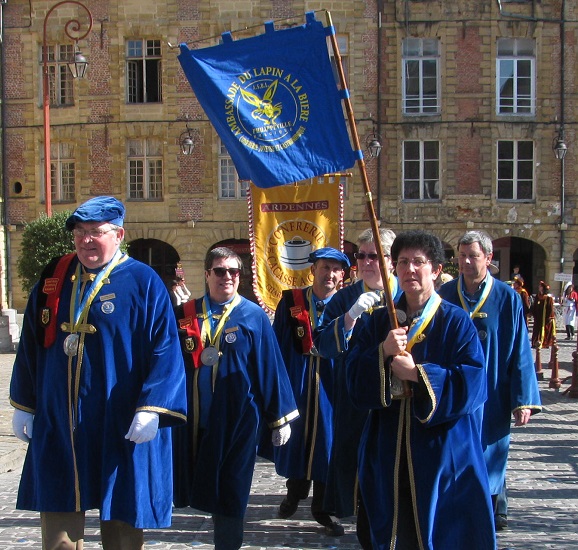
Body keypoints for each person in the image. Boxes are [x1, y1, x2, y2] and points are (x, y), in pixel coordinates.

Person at [10, 196, 187, 549]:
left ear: (118, 234)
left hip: (118, 416)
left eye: (95, 232)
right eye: (79, 232)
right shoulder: (54, 276)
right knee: (60, 504)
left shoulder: (143, 281)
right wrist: (24, 402)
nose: (86, 240)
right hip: (62, 417)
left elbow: (165, 349)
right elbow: (32, 339)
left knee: (120, 507)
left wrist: (152, 406)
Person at [347, 230, 495, 549]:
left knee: (441, 530)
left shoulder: (456, 322)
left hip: (442, 450)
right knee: (390, 528)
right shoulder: (377, 322)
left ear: (436, 269)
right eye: (402, 262)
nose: (410, 270)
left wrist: (418, 374)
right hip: (386, 446)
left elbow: (473, 381)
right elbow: (353, 381)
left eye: (418, 262)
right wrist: (381, 353)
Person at [172, 246, 299, 550]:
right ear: (207, 274)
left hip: (239, 421)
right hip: (196, 420)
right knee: (199, 482)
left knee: (231, 489)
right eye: (219, 271)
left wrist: (279, 417)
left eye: (233, 271)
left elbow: (270, 367)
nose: (226, 277)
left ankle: (227, 545)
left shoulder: (253, 316)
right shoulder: (186, 314)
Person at [439, 230, 541, 532]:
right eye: (462, 256)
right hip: (455, 387)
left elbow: (520, 350)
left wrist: (523, 399)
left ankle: (497, 505)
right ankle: (456, 501)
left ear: (488, 258)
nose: (467, 262)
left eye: (473, 256)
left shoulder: (507, 298)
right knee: (456, 446)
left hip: (493, 388)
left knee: (492, 448)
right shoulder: (445, 296)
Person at [313, 227, 401, 549]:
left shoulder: (406, 293)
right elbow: (322, 344)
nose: (366, 261)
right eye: (361, 255)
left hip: (396, 401)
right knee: (360, 476)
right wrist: (348, 318)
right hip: (354, 400)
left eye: (374, 255)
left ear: (390, 260)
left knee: (393, 473)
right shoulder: (344, 298)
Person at [272, 247, 350, 537]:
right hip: (298, 383)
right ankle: (294, 493)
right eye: (324, 267)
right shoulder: (291, 301)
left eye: (335, 269)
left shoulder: (347, 305)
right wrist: (277, 388)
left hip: (332, 387)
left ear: (342, 275)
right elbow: (279, 345)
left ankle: (322, 508)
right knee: (298, 442)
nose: (329, 274)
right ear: (313, 269)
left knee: (328, 445)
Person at [531, 281, 556, 350]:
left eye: (540, 286)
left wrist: (550, 317)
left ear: (543, 288)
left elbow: (550, 308)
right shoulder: (538, 296)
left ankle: (544, 343)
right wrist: (533, 312)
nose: (539, 288)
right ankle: (535, 342)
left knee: (545, 330)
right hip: (538, 317)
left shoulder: (548, 298)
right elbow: (534, 305)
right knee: (536, 329)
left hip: (545, 317)